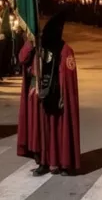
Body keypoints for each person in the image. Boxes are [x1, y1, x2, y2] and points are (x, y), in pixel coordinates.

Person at [17, 11, 81, 176]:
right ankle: (43, 161)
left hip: (56, 97)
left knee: (57, 130)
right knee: (41, 131)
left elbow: (68, 78)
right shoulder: (38, 47)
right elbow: (22, 59)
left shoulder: (66, 50)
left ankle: (62, 162)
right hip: (38, 97)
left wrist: (60, 94)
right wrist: (30, 43)